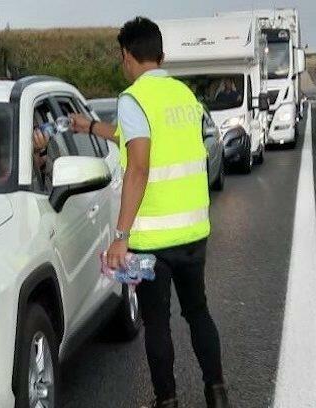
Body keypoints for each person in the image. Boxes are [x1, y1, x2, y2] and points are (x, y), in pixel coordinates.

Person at [68, 17, 228, 408]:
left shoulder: (133, 98)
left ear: (127, 55)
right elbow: (137, 136)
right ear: (161, 54)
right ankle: (217, 394)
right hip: (193, 229)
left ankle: (167, 400)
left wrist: (121, 236)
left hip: (154, 237)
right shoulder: (183, 96)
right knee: (198, 313)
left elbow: (139, 165)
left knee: (158, 324)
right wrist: (90, 126)